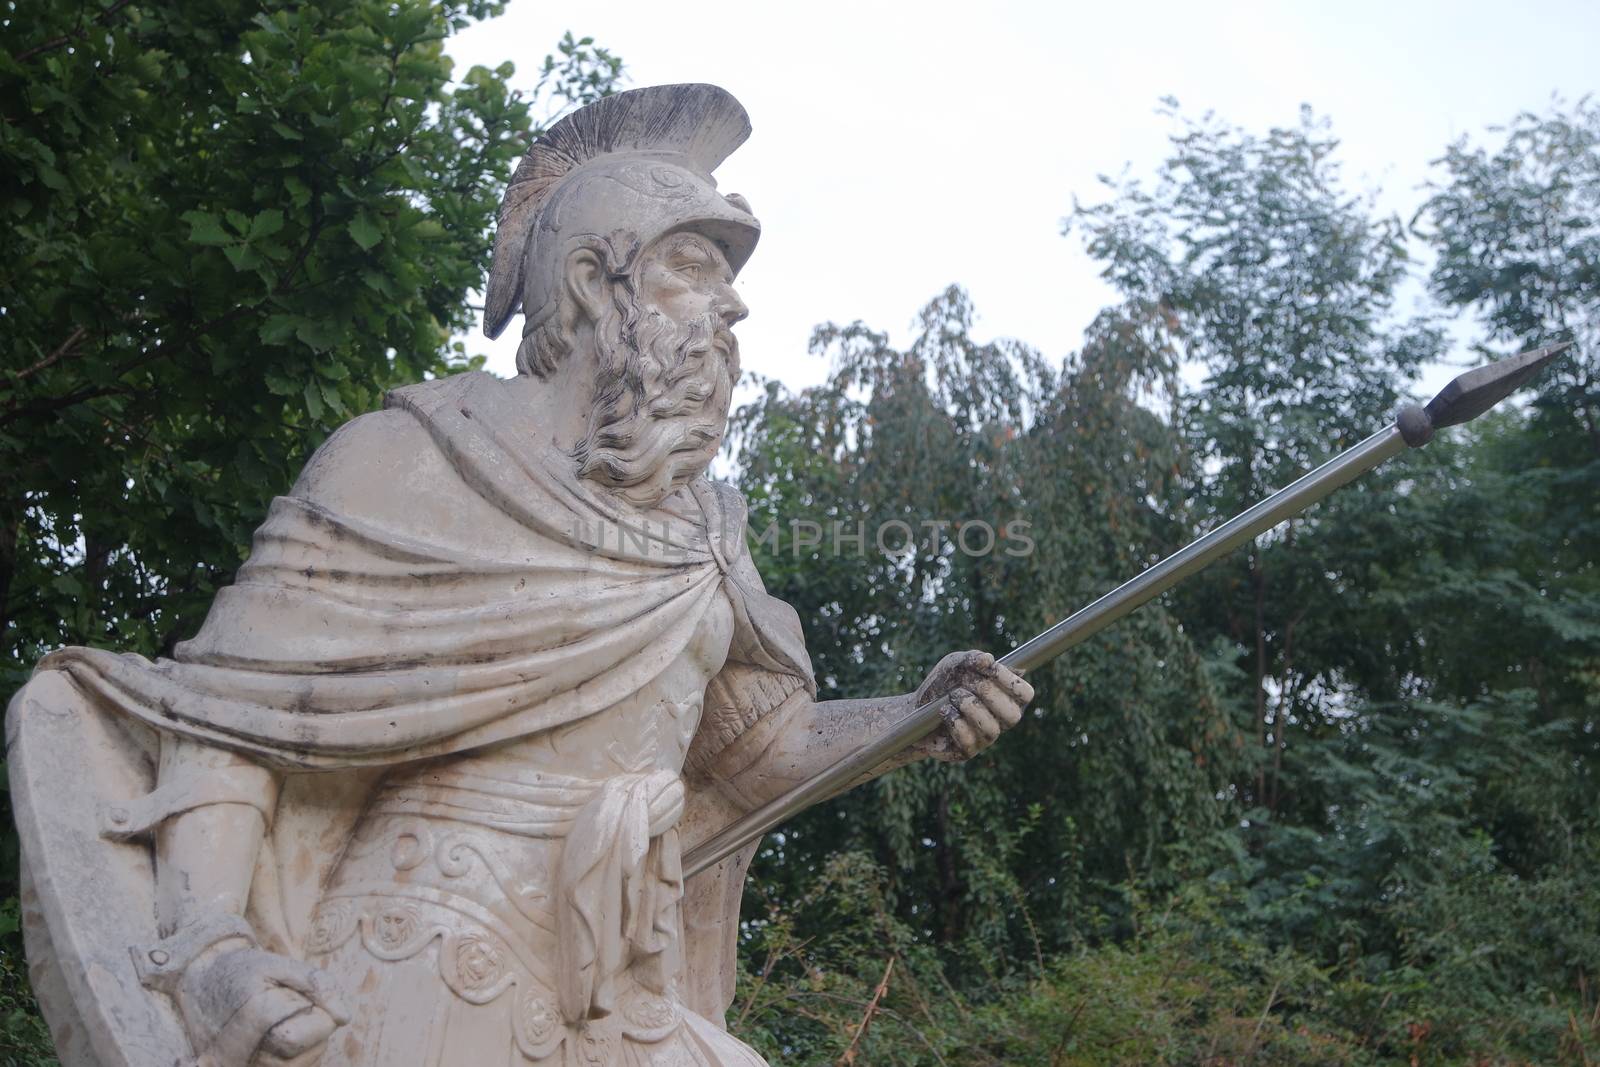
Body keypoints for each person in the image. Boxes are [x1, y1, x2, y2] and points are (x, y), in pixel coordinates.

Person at [11, 84, 1032, 1066]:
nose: (733, 306)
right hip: (429, 960)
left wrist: (913, 716)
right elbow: (240, 723)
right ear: (592, 280)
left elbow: (752, 751)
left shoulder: (707, 530)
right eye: (693, 265)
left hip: (625, 984)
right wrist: (215, 952)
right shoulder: (404, 461)